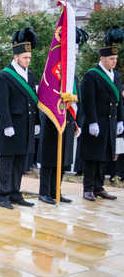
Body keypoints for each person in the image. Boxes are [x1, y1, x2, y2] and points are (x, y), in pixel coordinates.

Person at [37, 28, 88, 204]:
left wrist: (77, 123)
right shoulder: (53, 73)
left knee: (63, 160)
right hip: (52, 121)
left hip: (67, 121)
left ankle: (56, 191)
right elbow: (44, 96)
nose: (73, 59)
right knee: (49, 159)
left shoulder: (72, 78)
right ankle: (45, 192)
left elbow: (77, 102)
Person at [0, 28, 41, 209]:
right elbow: (1, 103)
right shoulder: (4, 76)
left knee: (20, 161)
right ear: (16, 57)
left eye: (29, 57)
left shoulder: (30, 76)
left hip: (26, 125)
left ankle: (15, 192)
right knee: (7, 162)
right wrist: (6, 124)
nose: (28, 60)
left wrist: (36, 122)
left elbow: (33, 100)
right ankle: (2, 195)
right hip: (12, 125)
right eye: (25, 57)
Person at [80, 26, 124, 201]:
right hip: (96, 122)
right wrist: (91, 121)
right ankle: (88, 188)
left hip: (110, 122)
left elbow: (119, 101)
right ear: (102, 58)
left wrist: (120, 120)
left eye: (116, 58)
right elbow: (88, 100)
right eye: (111, 59)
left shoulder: (117, 76)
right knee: (92, 157)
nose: (114, 61)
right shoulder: (92, 75)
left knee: (104, 156)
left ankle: (98, 187)